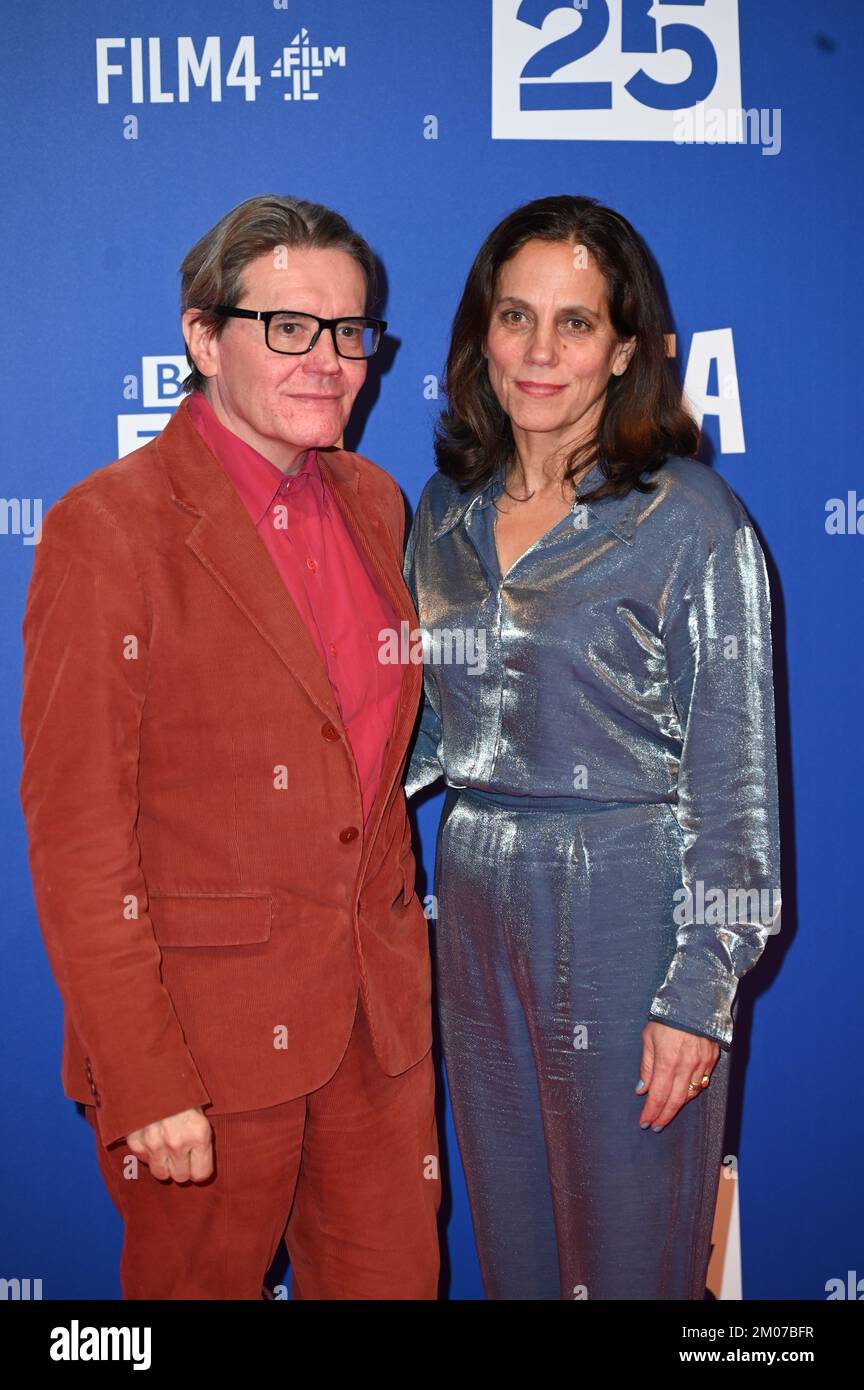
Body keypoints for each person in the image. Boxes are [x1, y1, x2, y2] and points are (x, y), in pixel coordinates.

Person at [19, 194, 440, 1300]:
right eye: (289, 327)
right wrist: (144, 1074)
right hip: (203, 1052)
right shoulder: (107, 528)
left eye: (352, 331)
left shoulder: (376, 503)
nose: (332, 360)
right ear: (203, 339)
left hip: (374, 1036)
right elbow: (77, 836)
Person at [403, 194, 781, 1300]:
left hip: (630, 905)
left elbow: (735, 782)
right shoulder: (443, 510)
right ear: (483, 332)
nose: (539, 351)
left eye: (575, 324)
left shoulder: (690, 520)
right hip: (473, 899)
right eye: (516, 316)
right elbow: (427, 724)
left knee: (627, 1268)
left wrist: (697, 991)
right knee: (516, 1259)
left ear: (624, 350)